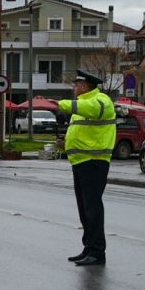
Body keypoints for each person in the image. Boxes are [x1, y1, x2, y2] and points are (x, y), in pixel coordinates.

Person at [56, 69, 117, 267]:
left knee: (92, 209)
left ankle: (97, 252)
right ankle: (89, 248)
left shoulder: (100, 101)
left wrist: (58, 104)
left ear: (85, 86)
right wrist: (66, 143)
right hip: (81, 161)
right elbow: (84, 131)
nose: (74, 89)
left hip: (94, 162)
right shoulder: (82, 107)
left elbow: (92, 110)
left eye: (76, 85)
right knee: (84, 210)